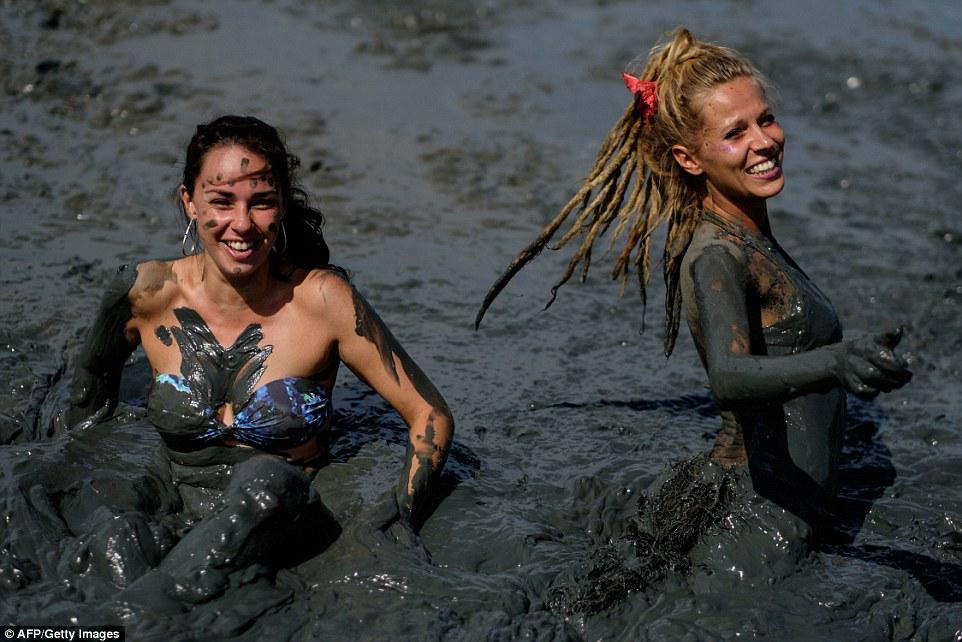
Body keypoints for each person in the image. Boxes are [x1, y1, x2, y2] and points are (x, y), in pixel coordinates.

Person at [476, 29, 911, 538]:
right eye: (735, 133)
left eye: (765, 119)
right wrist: (837, 362)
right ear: (688, 158)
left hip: (796, 513)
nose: (764, 141)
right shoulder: (717, 256)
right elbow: (728, 376)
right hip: (762, 522)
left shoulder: (752, 236)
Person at [61, 115, 454, 598]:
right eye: (221, 201)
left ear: (281, 206)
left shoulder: (324, 301)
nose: (242, 225)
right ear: (189, 203)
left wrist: (400, 513)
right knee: (119, 538)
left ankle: (151, 610)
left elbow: (428, 414)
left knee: (266, 485)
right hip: (174, 496)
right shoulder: (145, 292)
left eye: (261, 203)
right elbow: (86, 406)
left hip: (277, 512)